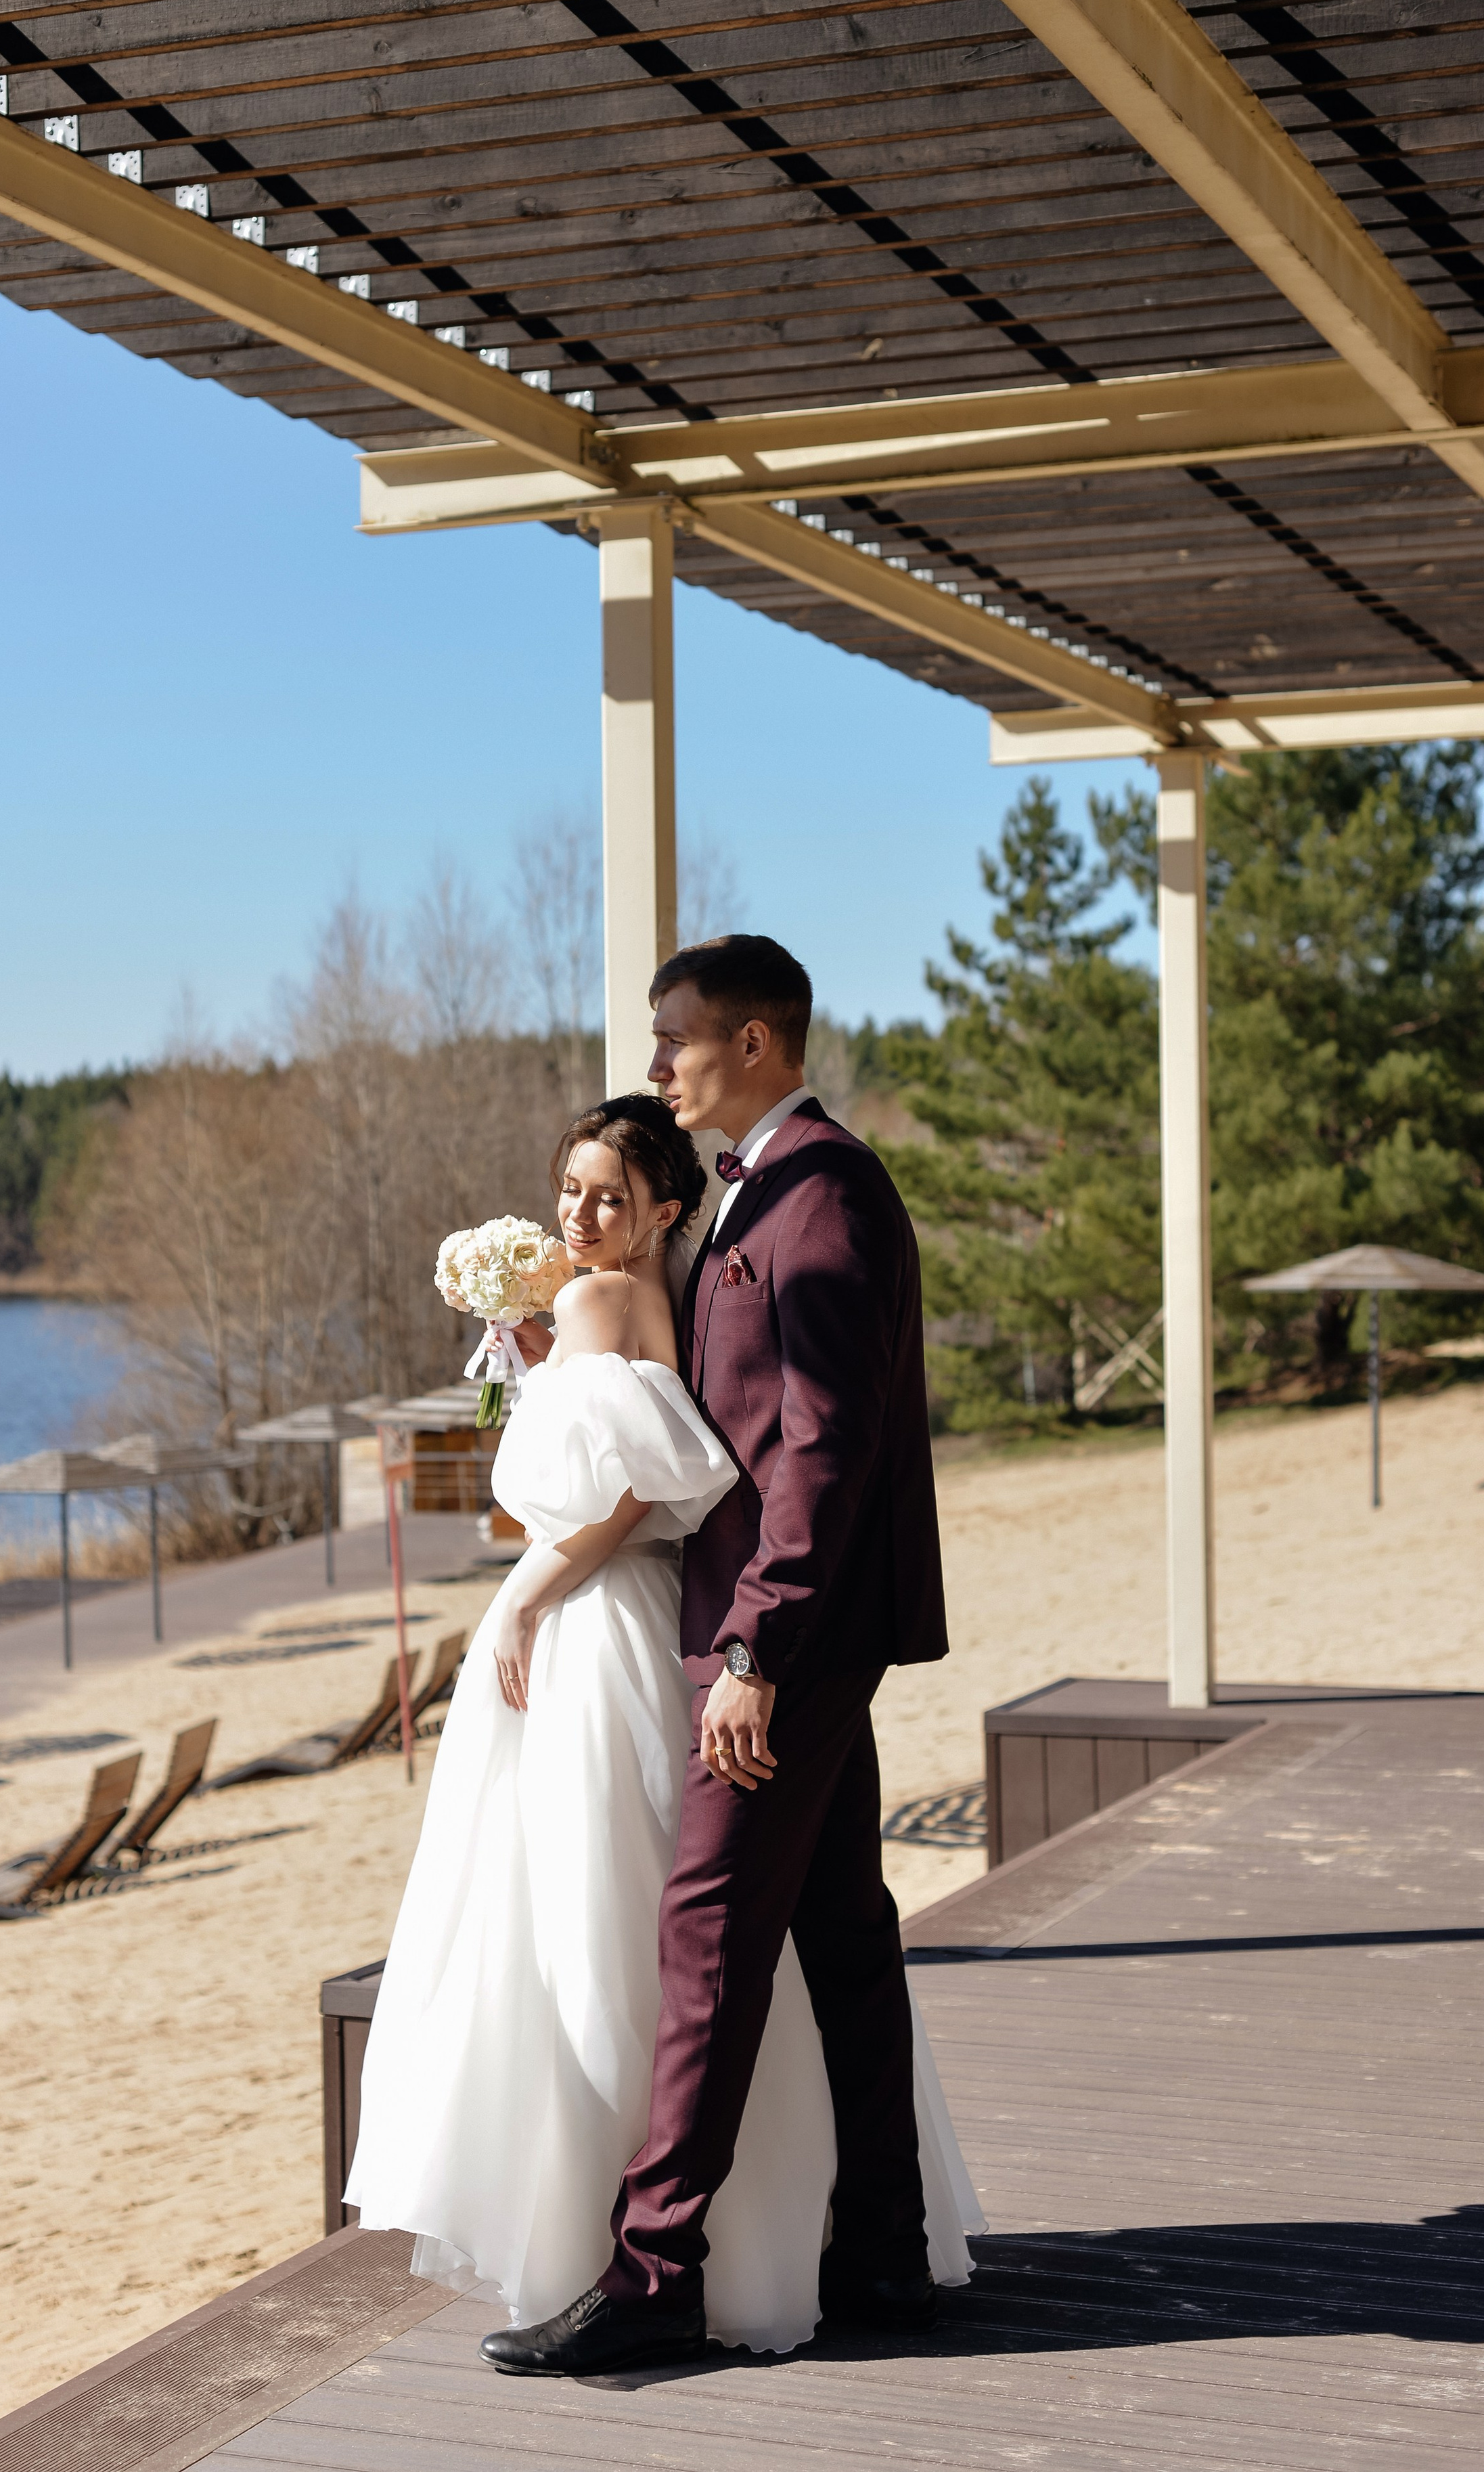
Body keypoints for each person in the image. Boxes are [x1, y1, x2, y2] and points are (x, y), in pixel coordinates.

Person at [348, 1074, 979, 2362]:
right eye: (568, 1192)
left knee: (647, 1933)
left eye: (606, 1195)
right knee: (796, 1941)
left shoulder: (703, 1249)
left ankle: (654, 2272)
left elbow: (669, 1481)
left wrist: (528, 1597)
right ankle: (865, 2249)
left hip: (665, 1635)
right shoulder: (666, 1285)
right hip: (685, 1629)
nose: (579, 1215)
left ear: (661, 1209)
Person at [480, 935, 953, 2379]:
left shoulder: (817, 1197)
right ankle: (878, 2247)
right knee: (843, 1939)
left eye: (672, 1038)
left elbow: (816, 1444)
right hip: (791, 1628)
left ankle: (652, 2273)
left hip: (779, 1638)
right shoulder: (761, 1190)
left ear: (752, 1042)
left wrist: (753, 1639)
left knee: (703, 1934)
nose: (653, 1064)